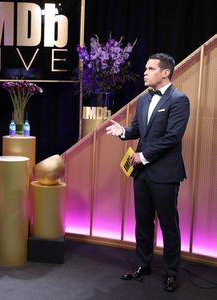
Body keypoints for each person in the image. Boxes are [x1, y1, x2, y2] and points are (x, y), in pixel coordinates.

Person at [106, 53, 190, 292]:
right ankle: (143, 265)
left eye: (150, 68)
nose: (145, 72)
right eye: (146, 68)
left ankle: (172, 272)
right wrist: (123, 131)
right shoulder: (144, 99)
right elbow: (138, 129)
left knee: (168, 225)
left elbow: (172, 137)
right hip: (141, 174)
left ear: (165, 72)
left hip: (165, 173)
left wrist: (142, 156)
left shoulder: (179, 100)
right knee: (143, 222)